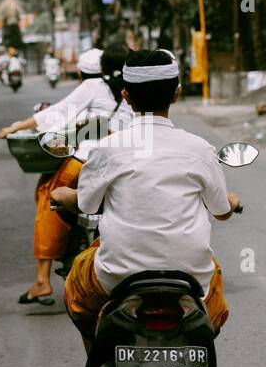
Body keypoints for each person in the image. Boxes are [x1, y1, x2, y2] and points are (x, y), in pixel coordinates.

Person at [57, 48, 241, 349]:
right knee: (215, 303)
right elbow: (221, 211)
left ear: (126, 96)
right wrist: (230, 201)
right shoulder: (199, 149)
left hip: (116, 276)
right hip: (191, 277)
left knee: (76, 291)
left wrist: (64, 195)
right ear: (177, 94)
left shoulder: (107, 148)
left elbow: (85, 204)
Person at [0, 43, 130, 305]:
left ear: (84, 73)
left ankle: (42, 280)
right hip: (125, 162)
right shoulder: (131, 91)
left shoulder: (93, 87)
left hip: (86, 162)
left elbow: (54, 114)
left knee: (49, 196)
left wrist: (14, 127)